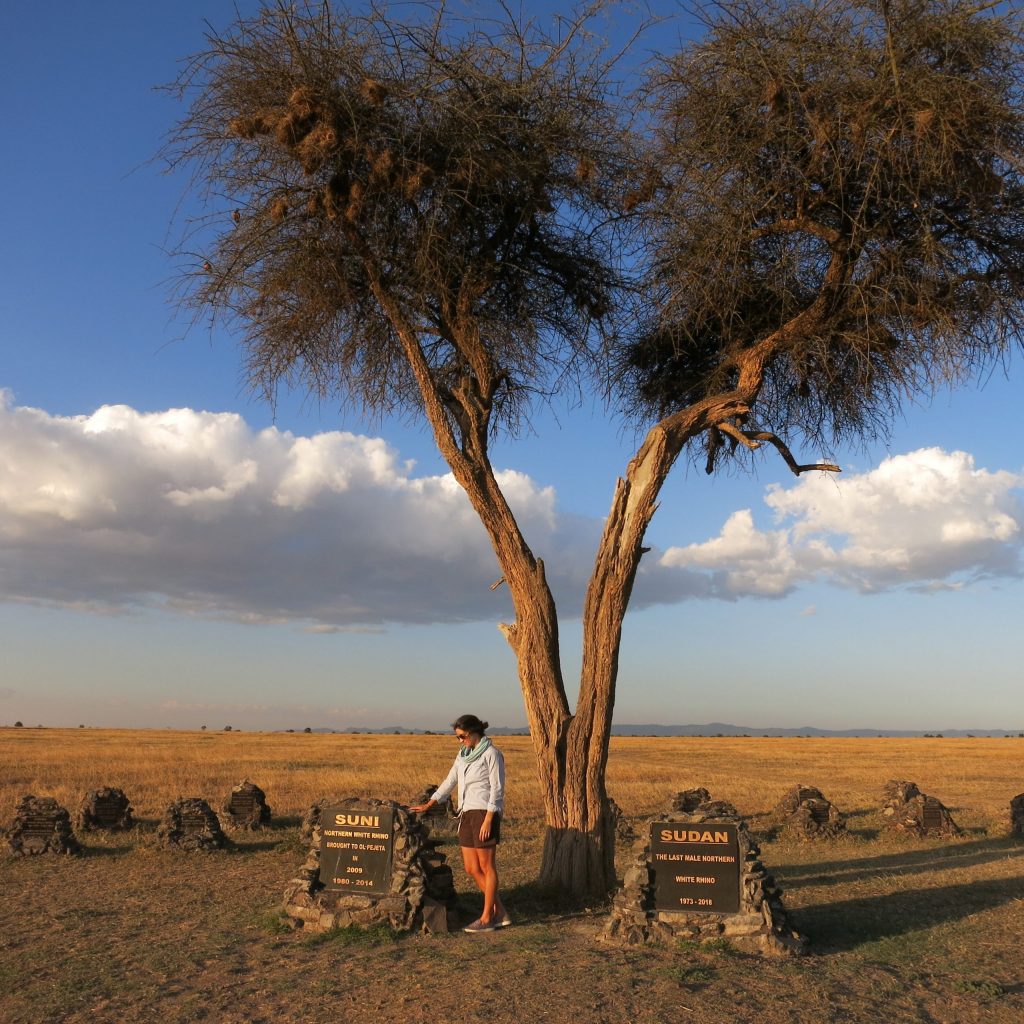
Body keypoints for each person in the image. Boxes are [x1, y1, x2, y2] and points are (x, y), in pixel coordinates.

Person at [409, 714, 510, 933]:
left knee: (487, 866)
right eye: (458, 737)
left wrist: (489, 819)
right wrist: (430, 803)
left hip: (484, 812)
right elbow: (450, 780)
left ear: (475, 732)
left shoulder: (492, 754)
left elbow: (497, 789)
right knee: (471, 867)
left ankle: (487, 918)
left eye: (463, 736)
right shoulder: (463, 755)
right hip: (465, 813)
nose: (461, 740)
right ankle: (499, 911)